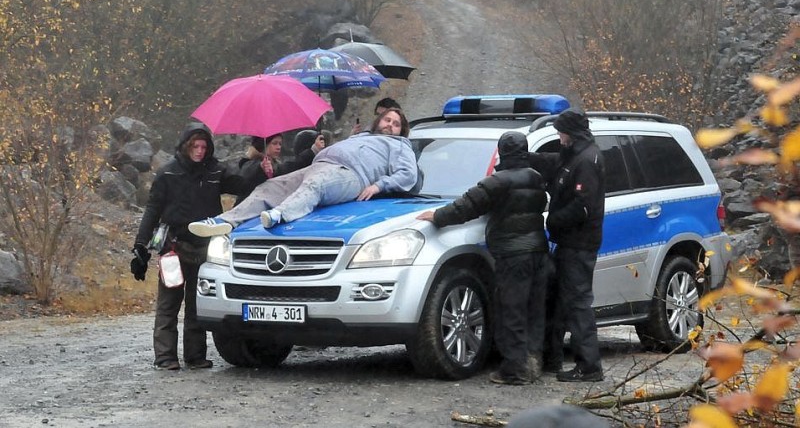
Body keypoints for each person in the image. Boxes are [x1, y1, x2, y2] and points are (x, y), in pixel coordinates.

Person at [417, 131, 548, 385]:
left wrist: (437, 217)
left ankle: (514, 370)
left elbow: (465, 206)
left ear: (502, 151)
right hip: (538, 251)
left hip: (512, 254)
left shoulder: (496, 182)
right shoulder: (536, 177)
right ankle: (532, 363)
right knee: (533, 310)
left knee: (512, 311)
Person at [130, 123, 250, 371]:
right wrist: (140, 246)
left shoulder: (216, 172)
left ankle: (195, 356)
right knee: (168, 305)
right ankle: (165, 357)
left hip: (205, 250)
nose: (200, 151)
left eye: (204, 146)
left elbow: (243, 185)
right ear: (186, 146)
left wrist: (256, 161)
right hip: (173, 248)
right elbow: (152, 211)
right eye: (195, 146)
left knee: (197, 305)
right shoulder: (167, 174)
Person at [189, 108, 418, 235]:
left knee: (315, 185)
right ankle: (225, 221)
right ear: (378, 121)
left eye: (395, 123)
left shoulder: (399, 145)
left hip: (351, 175)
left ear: (401, 130)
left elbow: (408, 174)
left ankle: (280, 214)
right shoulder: (361, 137)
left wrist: (379, 185)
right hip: (319, 165)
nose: (389, 124)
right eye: (387, 119)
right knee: (269, 186)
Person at [528, 108, 605, 382]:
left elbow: (583, 207)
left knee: (578, 303)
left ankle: (589, 366)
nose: (559, 137)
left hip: (579, 243)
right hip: (570, 242)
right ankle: (556, 358)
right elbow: (555, 163)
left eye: (561, 132)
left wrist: (552, 221)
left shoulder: (587, 160)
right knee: (562, 302)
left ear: (570, 133)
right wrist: (523, 158)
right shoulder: (575, 154)